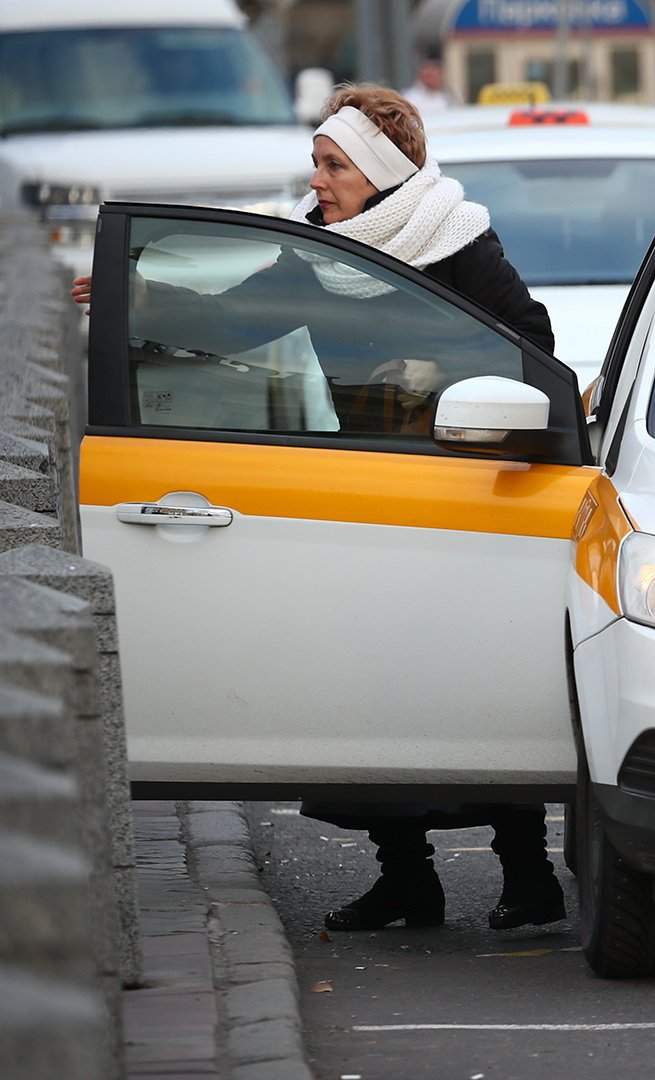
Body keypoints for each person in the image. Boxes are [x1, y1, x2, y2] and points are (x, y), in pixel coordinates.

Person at [71, 84, 565, 933]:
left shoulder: (458, 239)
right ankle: (407, 880)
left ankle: (529, 878)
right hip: (359, 487)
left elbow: (533, 346)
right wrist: (134, 296)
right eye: (318, 163)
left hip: (456, 494)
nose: (320, 179)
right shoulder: (320, 247)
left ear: (376, 173)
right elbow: (238, 318)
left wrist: (427, 370)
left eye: (334, 165)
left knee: (466, 683)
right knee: (368, 686)